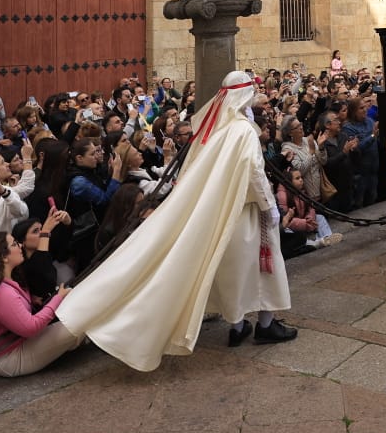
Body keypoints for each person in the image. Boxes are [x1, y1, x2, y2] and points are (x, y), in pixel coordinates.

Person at [54, 71, 296, 370]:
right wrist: (269, 205)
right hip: (247, 211)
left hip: (223, 212)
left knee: (235, 269)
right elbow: (254, 172)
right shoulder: (244, 131)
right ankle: (265, 324)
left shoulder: (218, 129)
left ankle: (236, 326)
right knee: (262, 267)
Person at [0, 234, 75, 377]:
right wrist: (58, 298)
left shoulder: (5, 281)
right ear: (4, 257)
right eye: (15, 244)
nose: (20, 246)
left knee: (75, 323)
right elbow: (30, 328)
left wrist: (32, 301)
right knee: (76, 322)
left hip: (13, 348)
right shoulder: (1, 293)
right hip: (8, 359)